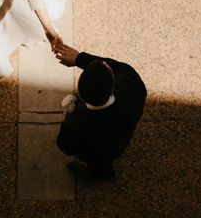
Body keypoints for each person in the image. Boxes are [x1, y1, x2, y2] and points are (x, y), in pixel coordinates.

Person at [54, 43, 147, 180]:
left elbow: (65, 147)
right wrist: (80, 58)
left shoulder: (74, 125)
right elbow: (120, 68)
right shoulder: (132, 86)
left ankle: (99, 174)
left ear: (80, 92)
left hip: (96, 154)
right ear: (112, 82)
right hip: (120, 142)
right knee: (103, 161)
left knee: (98, 163)